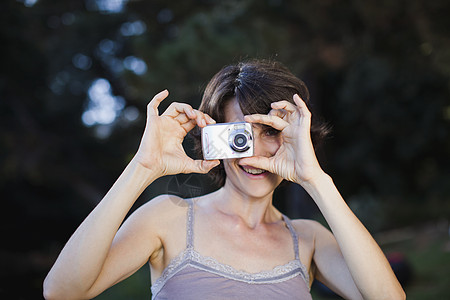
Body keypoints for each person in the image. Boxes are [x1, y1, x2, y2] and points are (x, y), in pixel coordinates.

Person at [43, 60, 405, 299]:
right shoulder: (166, 218)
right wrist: (142, 166)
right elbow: (61, 291)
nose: (253, 154)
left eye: (270, 132)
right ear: (213, 139)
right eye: (239, 136)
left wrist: (315, 179)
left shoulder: (308, 239)